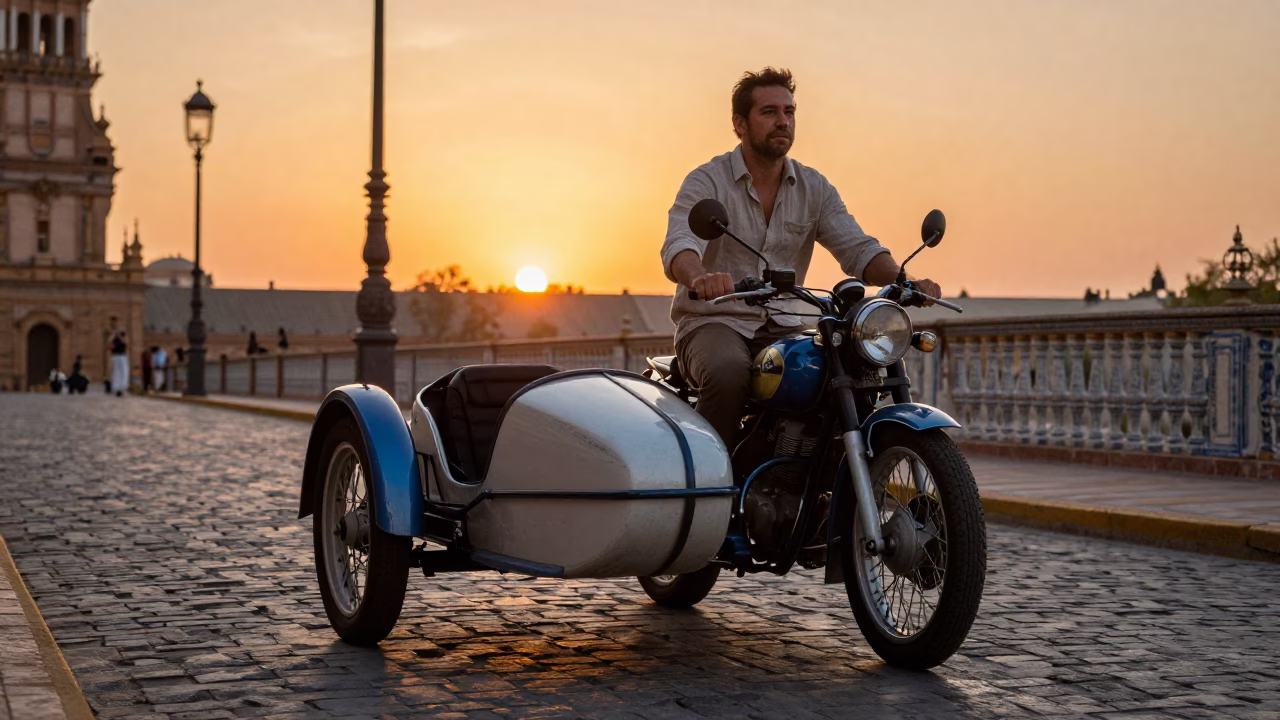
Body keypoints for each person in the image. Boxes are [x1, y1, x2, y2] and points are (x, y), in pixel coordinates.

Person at [660, 68, 942, 446]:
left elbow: (857, 247)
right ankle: (712, 488)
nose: (783, 121)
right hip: (716, 321)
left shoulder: (814, 187)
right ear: (739, 123)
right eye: (769, 112)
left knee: (844, 372)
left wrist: (902, 279)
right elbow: (680, 243)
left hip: (785, 323)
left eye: (789, 112)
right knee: (729, 373)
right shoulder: (707, 181)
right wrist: (699, 278)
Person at [109, 330, 129, 397]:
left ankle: (123, 387)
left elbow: (126, 343)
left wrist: (120, 337)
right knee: (116, 372)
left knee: (124, 372)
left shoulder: (123, 338)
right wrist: (113, 336)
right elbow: (110, 346)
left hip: (122, 356)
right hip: (116, 356)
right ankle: (116, 387)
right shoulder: (114, 339)